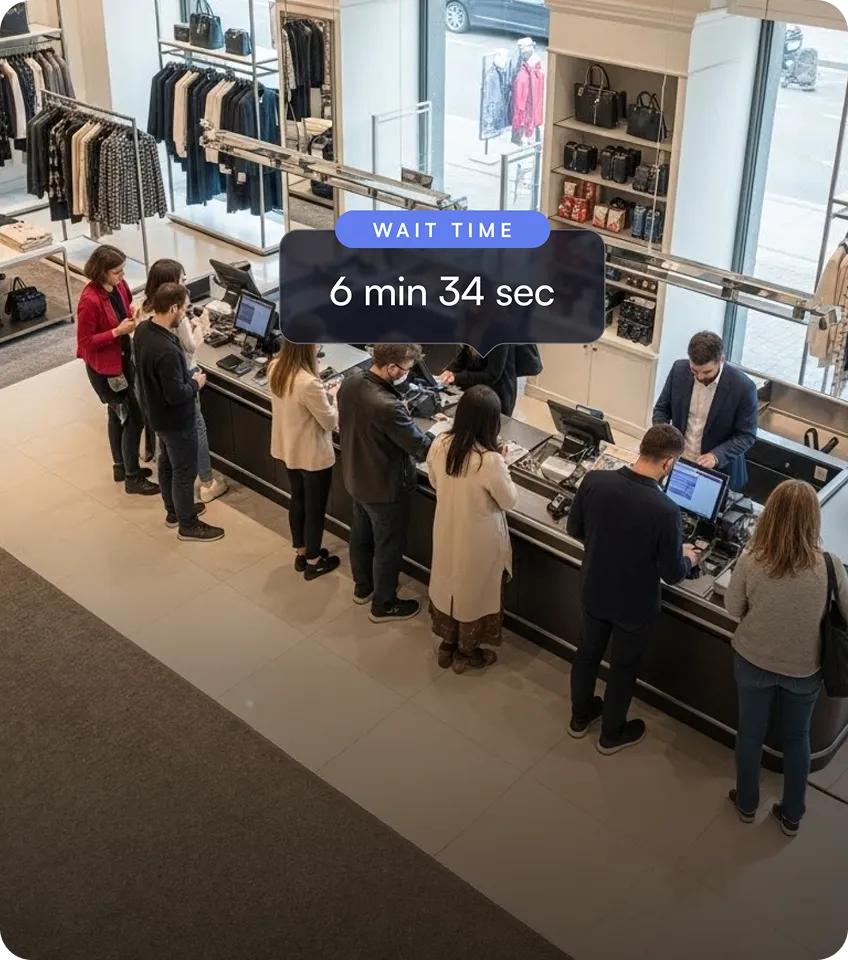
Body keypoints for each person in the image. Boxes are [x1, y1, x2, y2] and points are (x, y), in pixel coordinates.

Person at [725, 480, 848, 836]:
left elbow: (733, 609)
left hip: (752, 662)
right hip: (804, 669)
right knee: (797, 738)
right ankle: (792, 815)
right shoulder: (829, 565)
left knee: (750, 733)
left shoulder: (751, 560)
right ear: (814, 519)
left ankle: (746, 804)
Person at [567, 425, 698, 754]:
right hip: (633, 607)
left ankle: (579, 718)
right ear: (668, 463)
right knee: (622, 669)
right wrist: (689, 557)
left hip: (594, 591)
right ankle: (611, 734)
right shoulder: (666, 511)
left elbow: (575, 528)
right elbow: (672, 574)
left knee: (586, 655)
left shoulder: (595, 481)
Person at [337, 343, 433, 623]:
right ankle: (384, 604)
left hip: (356, 477)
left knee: (361, 536)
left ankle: (363, 587)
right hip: (385, 487)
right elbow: (419, 445)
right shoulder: (387, 406)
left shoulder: (351, 382)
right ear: (391, 368)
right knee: (388, 547)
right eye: (405, 370)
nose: (406, 375)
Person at [427, 385, 518, 673]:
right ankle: (468, 650)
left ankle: (447, 644)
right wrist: (503, 461)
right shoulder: (489, 460)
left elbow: (433, 480)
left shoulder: (441, 443)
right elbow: (509, 500)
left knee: (449, 583)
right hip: (479, 538)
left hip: (447, 528)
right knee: (474, 592)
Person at [133, 283, 225, 543]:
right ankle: (188, 524)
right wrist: (196, 383)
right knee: (184, 471)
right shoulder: (167, 350)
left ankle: (174, 511)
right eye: (184, 309)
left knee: (166, 464)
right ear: (173, 308)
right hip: (176, 420)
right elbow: (176, 395)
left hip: (155, 414)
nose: (185, 314)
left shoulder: (143, 331)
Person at [140, 259, 229, 504]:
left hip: (153, 394)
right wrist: (201, 325)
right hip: (184, 377)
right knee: (197, 429)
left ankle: (169, 493)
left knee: (165, 445)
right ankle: (207, 483)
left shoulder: (145, 311)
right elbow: (189, 346)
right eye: (182, 280)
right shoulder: (174, 319)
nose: (186, 285)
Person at [76, 245, 158, 496]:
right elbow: (85, 341)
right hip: (107, 369)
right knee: (134, 418)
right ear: (101, 272)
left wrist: (131, 315)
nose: (122, 276)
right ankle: (132, 477)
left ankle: (121, 465)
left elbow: (127, 305)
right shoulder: (89, 301)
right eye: (116, 272)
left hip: (122, 358)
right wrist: (116, 332)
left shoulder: (119, 287)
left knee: (116, 415)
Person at [269, 340, 340, 581]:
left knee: (298, 499)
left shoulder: (275, 366)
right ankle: (313, 561)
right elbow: (330, 422)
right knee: (315, 509)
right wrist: (336, 397)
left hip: (289, 450)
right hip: (312, 455)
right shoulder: (308, 383)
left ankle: (301, 551)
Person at [652, 331, 758, 492]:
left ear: (721, 360)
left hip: (719, 472)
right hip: (679, 463)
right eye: (694, 371)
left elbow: (746, 435)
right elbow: (661, 410)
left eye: (707, 372)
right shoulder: (678, 370)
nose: (700, 377)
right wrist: (666, 442)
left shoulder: (744, 387)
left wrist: (716, 456)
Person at [438, 345, 518, 416]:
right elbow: (464, 355)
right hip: (476, 390)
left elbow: (492, 375)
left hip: (497, 395)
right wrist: (450, 370)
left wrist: (457, 377)